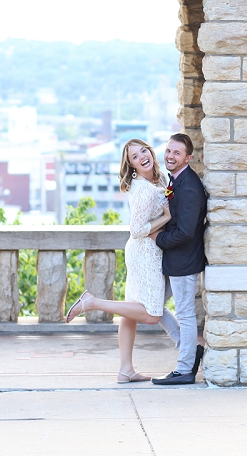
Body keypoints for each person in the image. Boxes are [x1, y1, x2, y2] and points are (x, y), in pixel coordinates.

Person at [65, 138, 171, 383]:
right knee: (151, 314)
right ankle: (93, 302)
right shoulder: (144, 189)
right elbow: (136, 229)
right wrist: (167, 218)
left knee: (130, 313)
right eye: (135, 156)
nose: (142, 156)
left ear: (150, 152)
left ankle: (126, 370)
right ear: (132, 165)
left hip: (141, 251)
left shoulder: (158, 179)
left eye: (143, 150)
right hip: (145, 252)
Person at [149, 133, 208, 385]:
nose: (170, 156)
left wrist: (158, 238)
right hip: (174, 261)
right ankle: (188, 348)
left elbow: (185, 232)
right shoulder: (176, 180)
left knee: (184, 314)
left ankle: (185, 369)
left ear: (188, 158)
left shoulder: (190, 186)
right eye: (169, 151)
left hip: (184, 261)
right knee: (152, 305)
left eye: (176, 153)